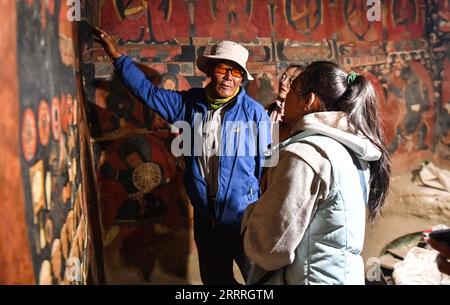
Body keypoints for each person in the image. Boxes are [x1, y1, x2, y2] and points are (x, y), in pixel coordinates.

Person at [93, 27, 271, 285]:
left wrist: (252, 203)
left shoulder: (255, 114)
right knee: (215, 281)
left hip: (244, 218)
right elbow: (148, 93)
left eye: (236, 72)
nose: (229, 78)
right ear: (210, 71)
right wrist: (118, 58)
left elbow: (265, 167)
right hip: (206, 218)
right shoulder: (189, 104)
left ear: (242, 77)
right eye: (223, 69)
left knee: (260, 280)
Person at [242, 61, 391, 284]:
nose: (285, 96)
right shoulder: (351, 149)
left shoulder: (305, 155)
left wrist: (250, 216)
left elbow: (268, 247)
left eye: (292, 89)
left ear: (308, 101)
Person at [267, 65, 305, 144]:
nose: (283, 82)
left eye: (291, 80)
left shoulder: (303, 116)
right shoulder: (268, 111)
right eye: (283, 77)